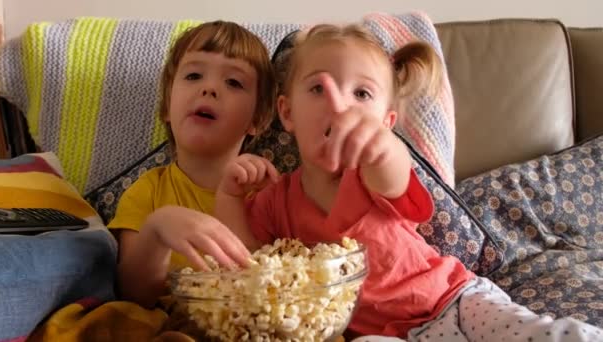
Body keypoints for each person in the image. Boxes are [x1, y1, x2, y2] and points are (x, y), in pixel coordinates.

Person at [214, 23, 603, 341]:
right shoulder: (276, 200)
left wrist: (380, 146)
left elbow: (395, 175)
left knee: (535, 334)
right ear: (287, 112)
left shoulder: (373, 171)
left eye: (361, 94)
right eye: (318, 88)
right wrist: (230, 194)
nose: (340, 106)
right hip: (379, 335)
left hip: (453, 299)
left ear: (386, 124)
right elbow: (247, 265)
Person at [107, 20, 277, 309]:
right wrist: (157, 229)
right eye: (194, 75)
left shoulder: (269, 192)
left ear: (258, 119)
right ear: (166, 108)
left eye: (233, 82)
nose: (209, 88)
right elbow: (135, 295)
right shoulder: (146, 192)